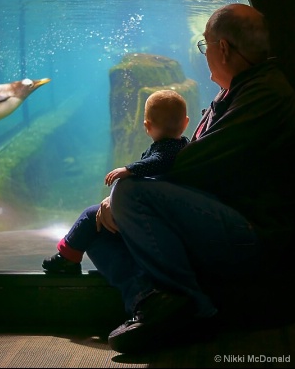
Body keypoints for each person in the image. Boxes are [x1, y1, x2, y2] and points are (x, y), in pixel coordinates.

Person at [43, 3, 295, 354]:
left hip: (252, 234)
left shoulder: (264, 94)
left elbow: (195, 165)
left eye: (204, 45)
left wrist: (123, 192)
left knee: (127, 193)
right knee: (97, 226)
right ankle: (150, 300)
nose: (204, 54)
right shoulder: (240, 92)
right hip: (221, 222)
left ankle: (189, 306)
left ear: (222, 48)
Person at [42, 89, 190, 271]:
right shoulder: (184, 145)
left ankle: (67, 257)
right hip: (159, 212)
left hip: (147, 213)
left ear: (147, 126)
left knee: (90, 215)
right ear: (185, 123)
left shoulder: (167, 149)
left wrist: (129, 169)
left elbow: (158, 161)